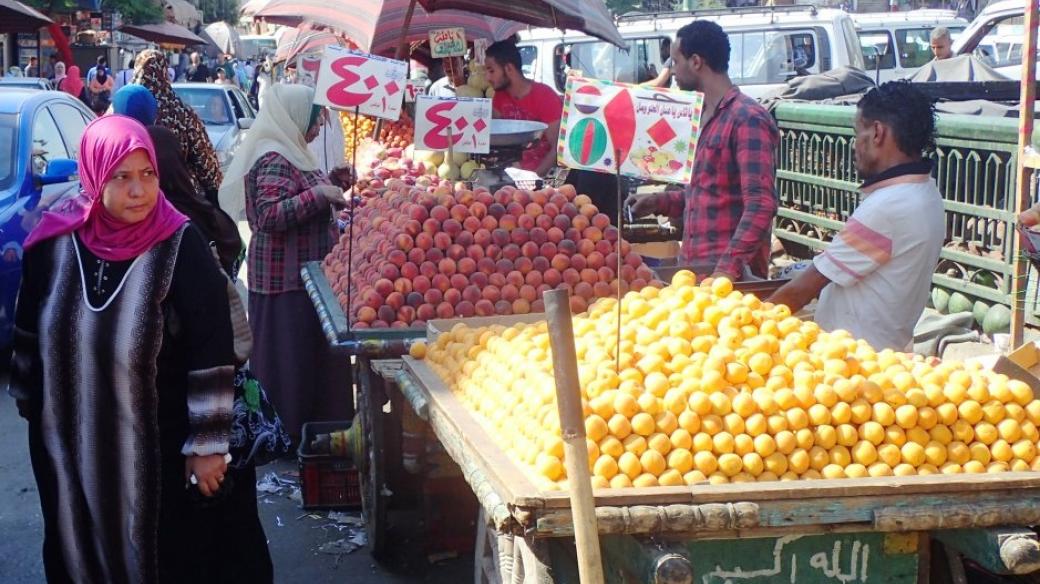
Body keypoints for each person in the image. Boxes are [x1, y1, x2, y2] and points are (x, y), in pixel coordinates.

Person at [10, 114, 272, 583]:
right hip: (68, 447)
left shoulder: (179, 244)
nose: (139, 191)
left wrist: (208, 445)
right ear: (94, 176)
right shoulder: (53, 242)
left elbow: (212, 348)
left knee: (164, 558)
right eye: (121, 177)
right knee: (76, 551)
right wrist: (32, 400)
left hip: (158, 448)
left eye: (147, 175)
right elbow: (28, 333)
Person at [219, 84, 353, 442]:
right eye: (313, 120)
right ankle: (288, 433)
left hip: (302, 277)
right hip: (284, 280)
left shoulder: (291, 151)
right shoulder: (274, 155)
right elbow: (268, 215)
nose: (317, 129)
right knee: (289, 361)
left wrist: (333, 182)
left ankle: (314, 429)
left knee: (308, 359)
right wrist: (319, 194)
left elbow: (299, 192)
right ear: (293, 116)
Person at [768, 82, 944, 351]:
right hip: (883, 350)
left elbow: (802, 290)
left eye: (856, 132)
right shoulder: (925, 192)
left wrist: (754, 325)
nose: (854, 145)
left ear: (877, 133)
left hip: (853, 359)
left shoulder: (888, 207)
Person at [629, 21, 779, 280]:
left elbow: (761, 205)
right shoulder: (703, 117)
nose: (672, 72)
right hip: (693, 272)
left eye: (675, 62)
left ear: (696, 61)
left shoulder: (747, 118)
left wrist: (726, 271)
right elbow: (709, 193)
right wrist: (660, 202)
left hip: (730, 283)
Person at [134, 50, 224, 207]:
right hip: (179, 200)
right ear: (164, 72)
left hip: (132, 196)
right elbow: (205, 162)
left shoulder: (120, 109)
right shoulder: (181, 111)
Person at [485, 40, 563, 177]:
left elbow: (557, 149)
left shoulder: (545, 96)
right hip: (509, 178)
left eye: (491, 71)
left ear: (509, 69)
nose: (487, 78)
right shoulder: (499, 96)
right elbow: (496, 141)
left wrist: (533, 180)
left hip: (541, 181)